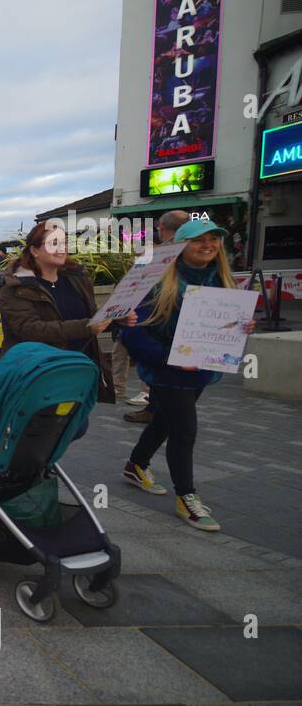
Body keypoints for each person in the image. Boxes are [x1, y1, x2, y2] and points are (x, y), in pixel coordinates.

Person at [119, 221, 251, 532]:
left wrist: (242, 326)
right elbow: (132, 332)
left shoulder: (221, 279)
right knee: (185, 430)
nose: (208, 245)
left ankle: (135, 466)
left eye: (213, 240)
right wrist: (168, 359)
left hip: (200, 370)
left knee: (165, 421)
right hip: (166, 371)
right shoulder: (157, 281)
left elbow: (226, 326)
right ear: (180, 245)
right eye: (198, 241)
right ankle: (186, 496)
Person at [0, 221, 129, 405]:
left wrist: (115, 320)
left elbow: (90, 316)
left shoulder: (77, 278)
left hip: (76, 370)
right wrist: (86, 327)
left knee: (73, 426)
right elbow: (29, 329)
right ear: (35, 251)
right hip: (36, 372)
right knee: (39, 428)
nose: (62, 248)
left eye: (64, 243)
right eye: (53, 243)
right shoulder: (17, 287)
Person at [123, 209, 191, 424]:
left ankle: (154, 412)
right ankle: (154, 412)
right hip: (184, 332)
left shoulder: (154, 255)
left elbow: (131, 287)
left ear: (161, 228)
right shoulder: (194, 258)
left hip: (154, 326)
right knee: (176, 416)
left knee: (178, 417)